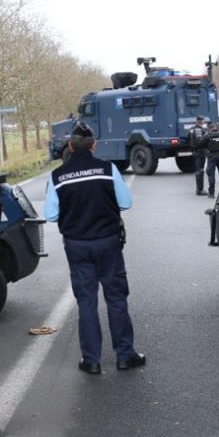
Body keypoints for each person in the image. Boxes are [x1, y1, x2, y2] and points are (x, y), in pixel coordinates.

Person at [44, 121, 144, 375]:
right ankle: (125, 356)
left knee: (86, 301)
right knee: (116, 298)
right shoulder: (107, 169)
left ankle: (92, 360)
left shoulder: (58, 176)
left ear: (69, 145)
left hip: (77, 246)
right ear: (93, 145)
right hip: (108, 243)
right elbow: (126, 202)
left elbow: (51, 214)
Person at [203, 121, 219, 196]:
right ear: (215, 127)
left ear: (209, 128)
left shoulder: (207, 135)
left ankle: (211, 193)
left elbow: (200, 144)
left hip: (211, 156)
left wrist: (206, 149)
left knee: (211, 175)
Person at [187, 115, 209, 196]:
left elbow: (188, 139)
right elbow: (200, 141)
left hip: (195, 151)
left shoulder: (191, 129)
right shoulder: (198, 130)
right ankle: (200, 190)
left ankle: (199, 189)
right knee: (200, 171)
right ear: (201, 121)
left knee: (198, 170)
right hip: (200, 152)